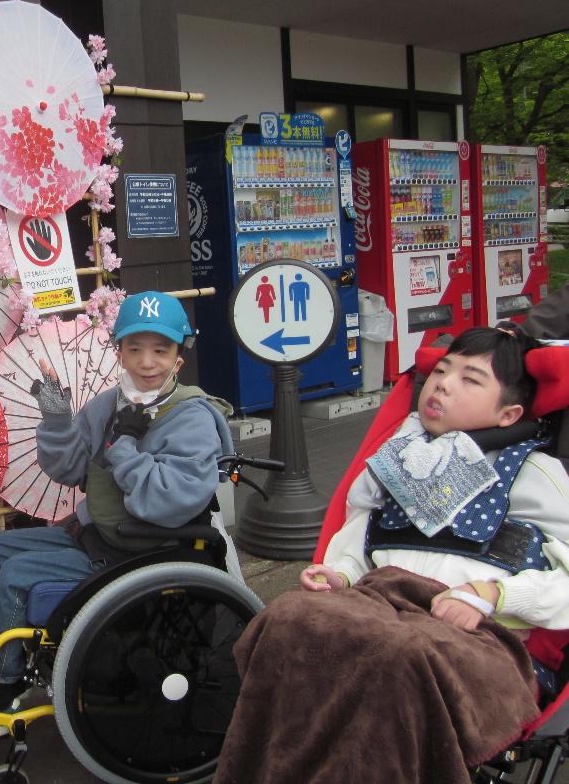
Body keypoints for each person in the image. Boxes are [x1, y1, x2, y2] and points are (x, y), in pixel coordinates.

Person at [214, 326, 569, 784]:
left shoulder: (533, 473)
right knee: (289, 619)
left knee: (398, 653)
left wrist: (492, 594)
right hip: (381, 609)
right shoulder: (396, 458)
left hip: (483, 642)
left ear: (510, 414)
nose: (443, 383)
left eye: (470, 379)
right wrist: (340, 576)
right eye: (441, 370)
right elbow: (361, 538)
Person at [0, 291, 233, 750]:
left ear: (179, 356)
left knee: (16, 575)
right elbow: (69, 469)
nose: (146, 362)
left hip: (141, 550)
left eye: (160, 349)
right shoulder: (111, 403)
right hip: (94, 536)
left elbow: (165, 501)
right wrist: (56, 417)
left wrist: (125, 446)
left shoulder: (191, 418)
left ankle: (4, 690)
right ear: (120, 350)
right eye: (134, 349)